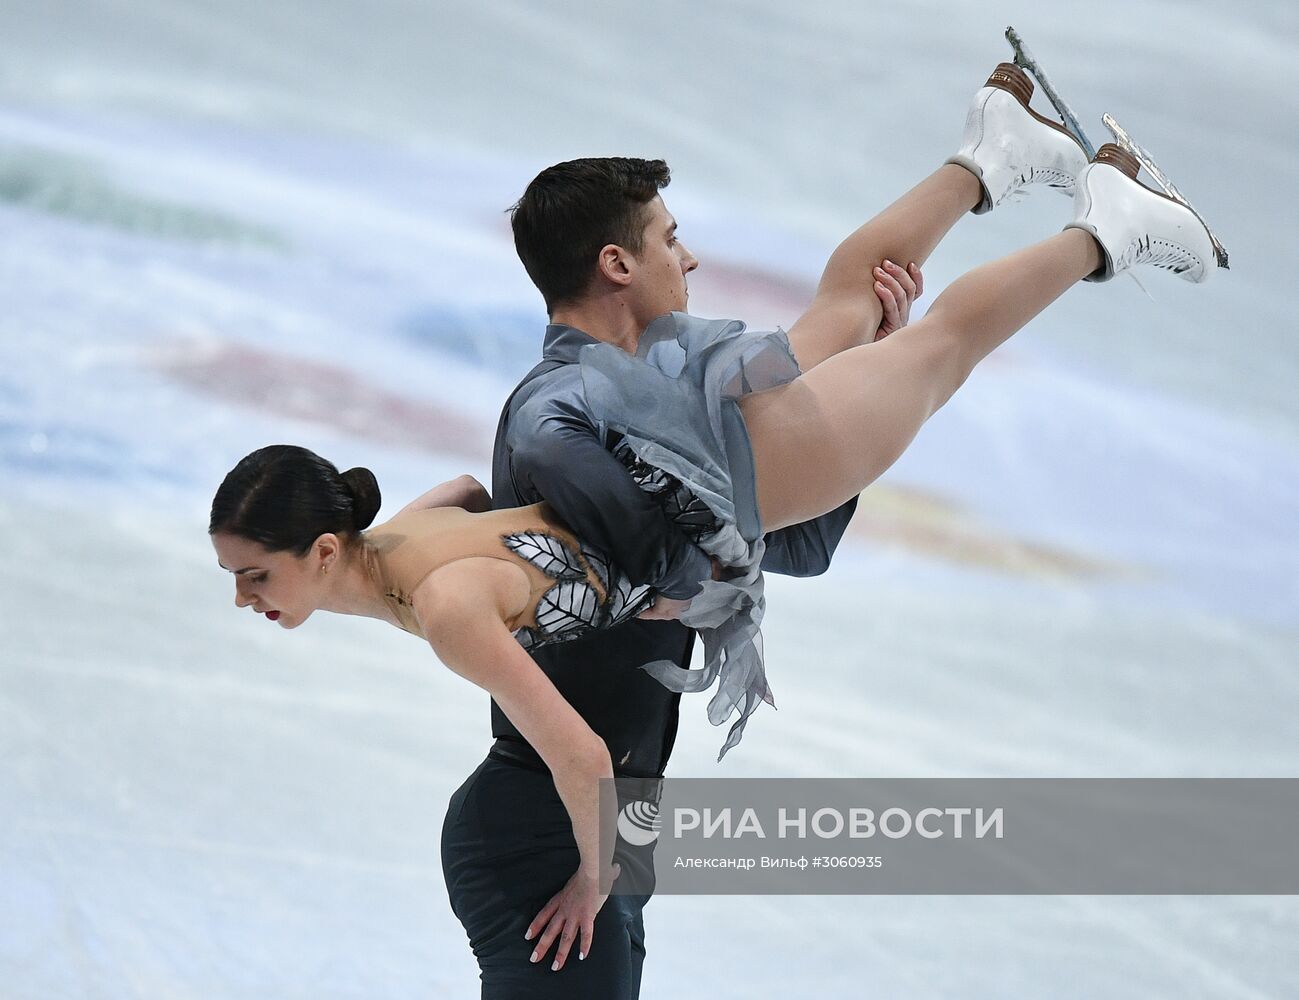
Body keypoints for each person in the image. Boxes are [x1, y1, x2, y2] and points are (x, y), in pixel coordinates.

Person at [210, 62, 1217, 998]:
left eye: (255, 576)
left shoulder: (444, 576)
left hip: (592, 792)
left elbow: (562, 557)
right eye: (665, 239)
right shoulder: (444, 539)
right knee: (880, 331)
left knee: (900, 334)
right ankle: (1035, 182)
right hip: (576, 807)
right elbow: (489, 513)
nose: (247, 600)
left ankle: (1066, 201)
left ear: (330, 547)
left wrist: (649, 570)